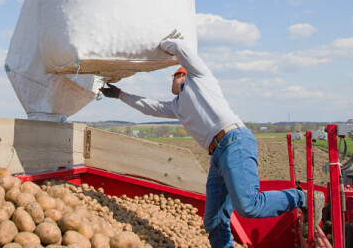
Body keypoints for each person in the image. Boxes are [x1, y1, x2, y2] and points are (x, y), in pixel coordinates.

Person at [100, 30, 321, 248]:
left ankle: (303, 198)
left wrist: (159, 42)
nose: (173, 78)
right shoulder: (176, 107)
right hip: (218, 155)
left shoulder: (201, 79)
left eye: (176, 74)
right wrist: (120, 94)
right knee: (214, 222)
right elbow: (149, 107)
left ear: (185, 75)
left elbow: (181, 49)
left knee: (249, 206)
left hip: (235, 141)